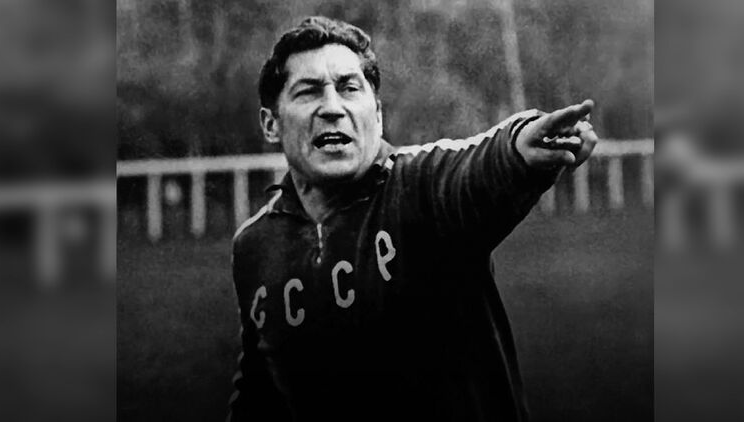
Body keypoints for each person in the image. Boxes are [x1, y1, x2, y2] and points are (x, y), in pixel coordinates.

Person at [228, 16, 597, 422]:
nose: (332, 107)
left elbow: (479, 163)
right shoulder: (254, 246)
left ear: (377, 114)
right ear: (271, 124)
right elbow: (260, 390)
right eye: (308, 91)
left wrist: (519, 145)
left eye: (349, 88)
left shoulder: (420, 187)